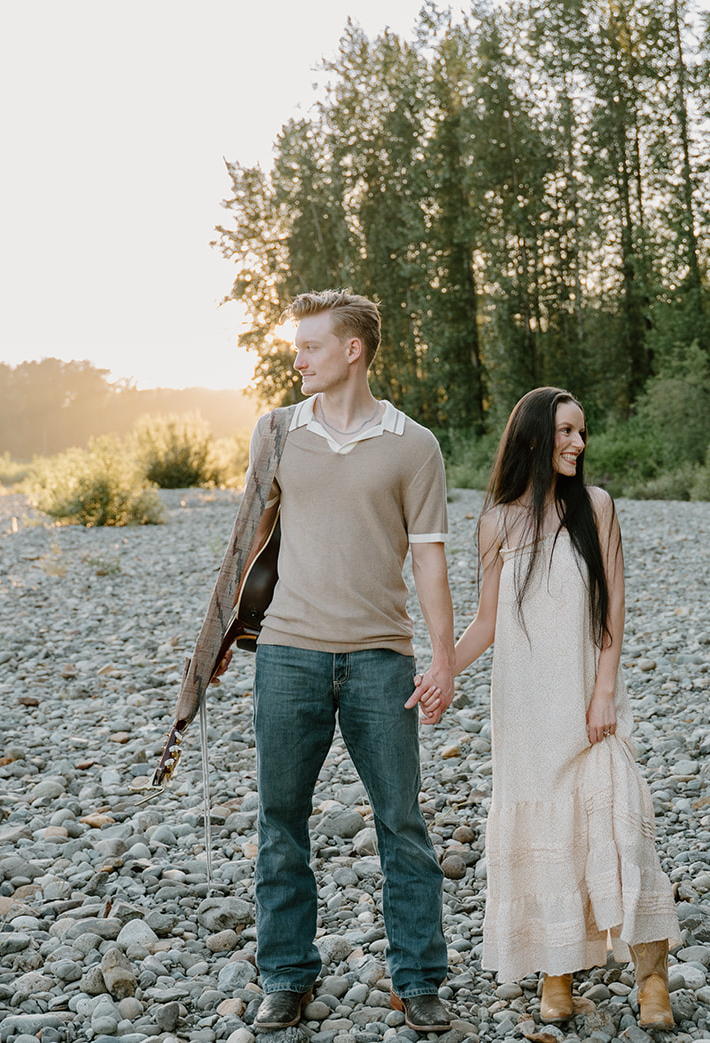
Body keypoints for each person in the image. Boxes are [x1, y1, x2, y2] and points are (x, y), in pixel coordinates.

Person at [227, 289, 457, 1033]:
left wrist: (444, 657)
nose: (297, 357)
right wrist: (218, 644)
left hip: (381, 659)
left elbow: (429, 563)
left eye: (312, 345)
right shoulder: (278, 432)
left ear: (352, 350)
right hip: (287, 654)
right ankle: (286, 978)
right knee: (280, 821)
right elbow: (246, 545)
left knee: (402, 823)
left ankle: (419, 979)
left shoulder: (414, 445)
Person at [453, 387, 681, 1028]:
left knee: (623, 830)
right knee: (549, 835)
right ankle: (556, 978)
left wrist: (604, 688)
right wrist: (441, 667)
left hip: (588, 700)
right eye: (566, 432)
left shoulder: (598, 508)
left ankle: (653, 981)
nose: (579, 444)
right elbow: (487, 622)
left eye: (582, 432)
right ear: (532, 436)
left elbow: (613, 608)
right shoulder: (497, 522)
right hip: (525, 708)